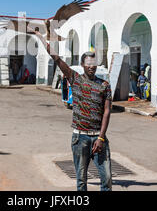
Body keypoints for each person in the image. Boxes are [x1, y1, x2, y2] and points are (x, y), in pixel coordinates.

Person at [32, 29, 112, 191]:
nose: (91, 67)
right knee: (81, 180)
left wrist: (101, 138)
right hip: (80, 138)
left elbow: (107, 112)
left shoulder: (104, 85)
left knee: (107, 178)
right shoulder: (74, 78)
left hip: (98, 137)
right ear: (83, 65)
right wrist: (40, 37)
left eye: (94, 64)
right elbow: (56, 58)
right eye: (88, 64)